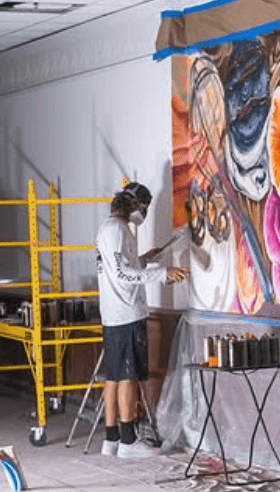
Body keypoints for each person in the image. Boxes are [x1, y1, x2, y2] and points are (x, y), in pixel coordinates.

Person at [96, 182, 187, 458]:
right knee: (128, 376)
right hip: (125, 313)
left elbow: (122, 268)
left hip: (114, 314)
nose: (144, 215)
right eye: (144, 209)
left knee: (114, 376)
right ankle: (128, 441)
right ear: (133, 204)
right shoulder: (117, 230)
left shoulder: (110, 229)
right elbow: (123, 274)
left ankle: (111, 439)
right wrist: (162, 274)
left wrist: (146, 259)